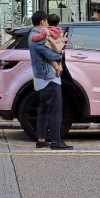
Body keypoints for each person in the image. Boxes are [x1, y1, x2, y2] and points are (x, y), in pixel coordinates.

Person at [28, 10, 73, 150]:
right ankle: (55, 140)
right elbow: (50, 54)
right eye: (46, 22)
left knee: (44, 108)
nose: (47, 24)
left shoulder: (35, 36)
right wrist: (61, 50)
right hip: (48, 77)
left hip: (43, 76)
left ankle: (41, 138)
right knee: (55, 108)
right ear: (42, 22)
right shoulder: (37, 37)